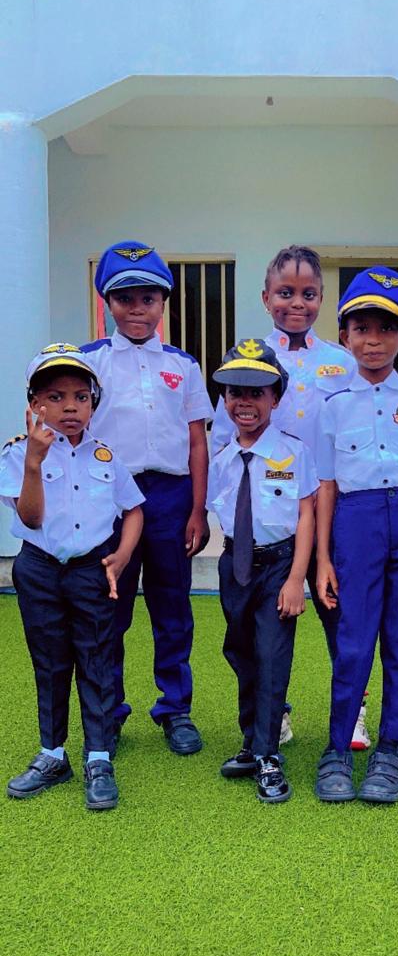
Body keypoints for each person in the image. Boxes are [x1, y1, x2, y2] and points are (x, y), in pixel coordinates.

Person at [211, 246, 364, 747]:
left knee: (340, 613)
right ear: (265, 297)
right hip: (277, 513)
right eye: (285, 293)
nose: (296, 303)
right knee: (264, 626)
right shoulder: (249, 362)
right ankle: (274, 712)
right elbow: (222, 444)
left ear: (322, 298)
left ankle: (353, 709)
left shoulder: (341, 363)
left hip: (334, 506)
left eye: (308, 294)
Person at [314, 268, 398, 804]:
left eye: (386, 328)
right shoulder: (332, 405)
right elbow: (326, 486)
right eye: (362, 328)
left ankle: (392, 749)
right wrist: (322, 558)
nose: (374, 340)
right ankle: (337, 750)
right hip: (356, 522)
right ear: (344, 335)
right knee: (352, 642)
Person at [81, 242, 214, 756]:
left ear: (163, 304)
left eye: (148, 299)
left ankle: (175, 708)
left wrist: (197, 509)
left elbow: (197, 440)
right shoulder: (89, 362)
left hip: (169, 497)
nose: (137, 309)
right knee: (107, 609)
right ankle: (108, 711)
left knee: (172, 604)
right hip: (110, 498)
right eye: (125, 299)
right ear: (108, 303)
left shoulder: (183, 364)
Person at [1, 344, 144, 810]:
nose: (69, 408)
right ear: (34, 404)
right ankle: (52, 753)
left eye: (81, 397)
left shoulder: (105, 456)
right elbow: (31, 517)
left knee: (97, 659)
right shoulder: (18, 453)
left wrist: (122, 555)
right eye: (55, 397)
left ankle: (98, 758)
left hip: (91, 570)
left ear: (93, 404)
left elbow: (134, 508)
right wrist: (34, 462)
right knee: (50, 661)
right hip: (39, 569)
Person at [208, 338, 317, 803]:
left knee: (272, 657)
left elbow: (307, 515)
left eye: (256, 392)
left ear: (276, 397)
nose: (244, 402)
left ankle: (269, 754)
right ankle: (252, 741)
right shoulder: (222, 457)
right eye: (235, 392)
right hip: (235, 565)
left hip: (278, 567)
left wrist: (296, 579)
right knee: (241, 653)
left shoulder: (294, 452)